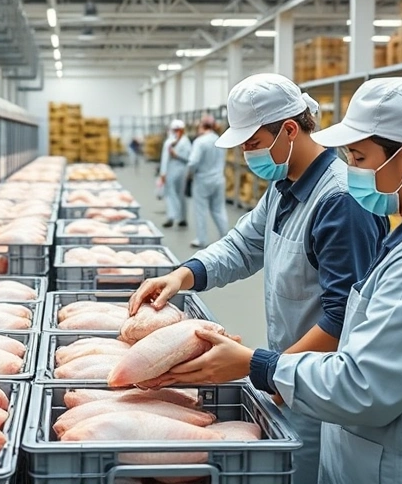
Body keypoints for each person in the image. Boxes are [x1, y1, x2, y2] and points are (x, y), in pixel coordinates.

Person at [142, 77, 402, 484]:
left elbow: (364, 385)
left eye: (358, 156)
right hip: (345, 426)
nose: (350, 168)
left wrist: (259, 367)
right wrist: (186, 273)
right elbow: (247, 243)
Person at [129, 73, 387, 484]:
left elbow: (343, 318)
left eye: (253, 143)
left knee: (306, 472)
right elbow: (243, 245)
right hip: (288, 375)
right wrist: (183, 275)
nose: (249, 154)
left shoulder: (339, 202)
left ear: (289, 130)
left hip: (316, 386)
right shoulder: (286, 186)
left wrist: (271, 371)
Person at [186, 115, 229, 247]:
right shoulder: (220, 140)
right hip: (218, 179)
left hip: (203, 180)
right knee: (219, 209)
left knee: (201, 210)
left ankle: (201, 239)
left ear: (201, 126)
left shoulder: (200, 142)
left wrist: (189, 175)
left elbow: (193, 162)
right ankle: (226, 238)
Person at [158, 119, 191, 228]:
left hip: (182, 171)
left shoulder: (186, 142)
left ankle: (182, 218)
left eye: (178, 130)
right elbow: (164, 159)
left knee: (181, 195)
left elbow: (189, 158)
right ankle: (171, 217)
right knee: (170, 194)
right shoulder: (169, 142)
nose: (176, 132)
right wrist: (163, 173)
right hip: (170, 171)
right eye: (174, 130)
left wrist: (176, 155)